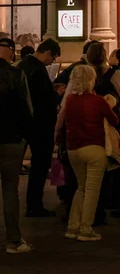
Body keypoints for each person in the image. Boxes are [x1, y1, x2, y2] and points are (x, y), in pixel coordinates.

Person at [55, 65, 118, 242]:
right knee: (92, 191)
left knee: (80, 188)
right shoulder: (98, 101)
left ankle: (72, 226)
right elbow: (114, 120)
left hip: (73, 149)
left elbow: (62, 122)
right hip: (94, 148)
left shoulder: (70, 101)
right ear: (92, 79)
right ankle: (86, 228)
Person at [87, 42, 120, 224]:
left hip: (90, 129)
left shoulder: (83, 75)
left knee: (94, 172)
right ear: (106, 55)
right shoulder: (118, 75)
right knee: (119, 167)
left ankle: (96, 208)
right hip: (115, 127)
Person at [19, 38, 61, 217]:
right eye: (53, 58)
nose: (52, 62)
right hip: (41, 126)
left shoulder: (23, 65)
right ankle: (34, 204)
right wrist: (57, 94)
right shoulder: (38, 70)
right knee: (40, 166)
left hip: (24, 123)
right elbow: (45, 100)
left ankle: (32, 204)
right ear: (48, 53)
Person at [0, 38, 34, 254]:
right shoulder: (16, 74)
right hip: (11, 139)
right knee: (10, 189)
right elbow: (26, 110)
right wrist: (25, 136)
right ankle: (14, 240)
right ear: (12, 53)